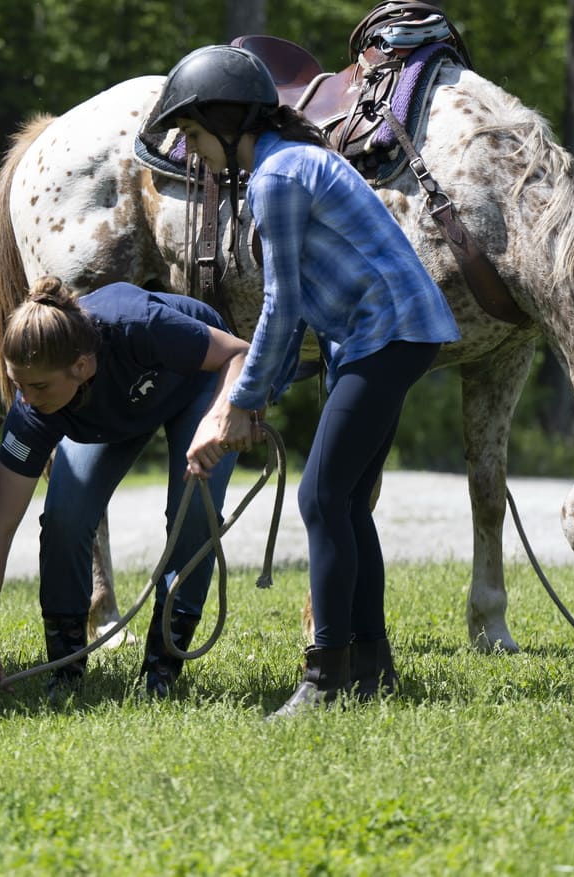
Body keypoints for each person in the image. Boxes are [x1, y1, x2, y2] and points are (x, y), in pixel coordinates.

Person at [149, 43, 460, 718]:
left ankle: (326, 680)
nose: (195, 152)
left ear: (230, 122)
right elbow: (295, 316)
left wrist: (240, 400)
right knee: (343, 502)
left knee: (321, 501)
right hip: (389, 334)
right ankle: (370, 666)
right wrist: (257, 397)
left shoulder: (277, 176)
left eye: (196, 135)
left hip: (386, 334)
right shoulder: (292, 165)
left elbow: (280, 304)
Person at [0, 277, 256, 707]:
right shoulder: (34, 408)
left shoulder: (139, 324)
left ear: (81, 366)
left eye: (38, 387)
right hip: (107, 417)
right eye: (17, 384)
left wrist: (224, 416)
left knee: (195, 509)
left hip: (197, 387)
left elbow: (239, 352)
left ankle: (163, 664)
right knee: (65, 517)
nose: (26, 398)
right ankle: (65, 668)